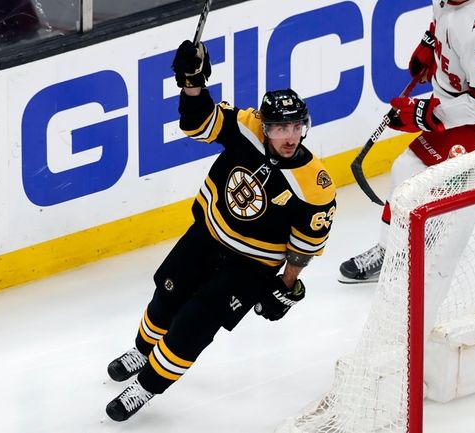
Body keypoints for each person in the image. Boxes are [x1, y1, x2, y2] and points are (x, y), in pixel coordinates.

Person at [104, 40, 337, 422]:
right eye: (280, 127)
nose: (289, 136)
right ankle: (142, 349)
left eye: (295, 126)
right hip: (207, 237)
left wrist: (288, 283)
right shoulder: (245, 127)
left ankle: (145, 387)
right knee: (166, 297)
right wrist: (193, 82)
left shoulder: (316, 184)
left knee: (194, 325)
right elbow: (198, 122)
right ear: (265, 125)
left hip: (249, 267)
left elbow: (305, 244)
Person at [338, 0, 475, 283]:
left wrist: (422, 114)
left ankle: (391, 252)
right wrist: (431, 44)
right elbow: (443, 18)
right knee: (423, 170)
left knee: (407, 168)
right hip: (460, 98)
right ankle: (430, 223)